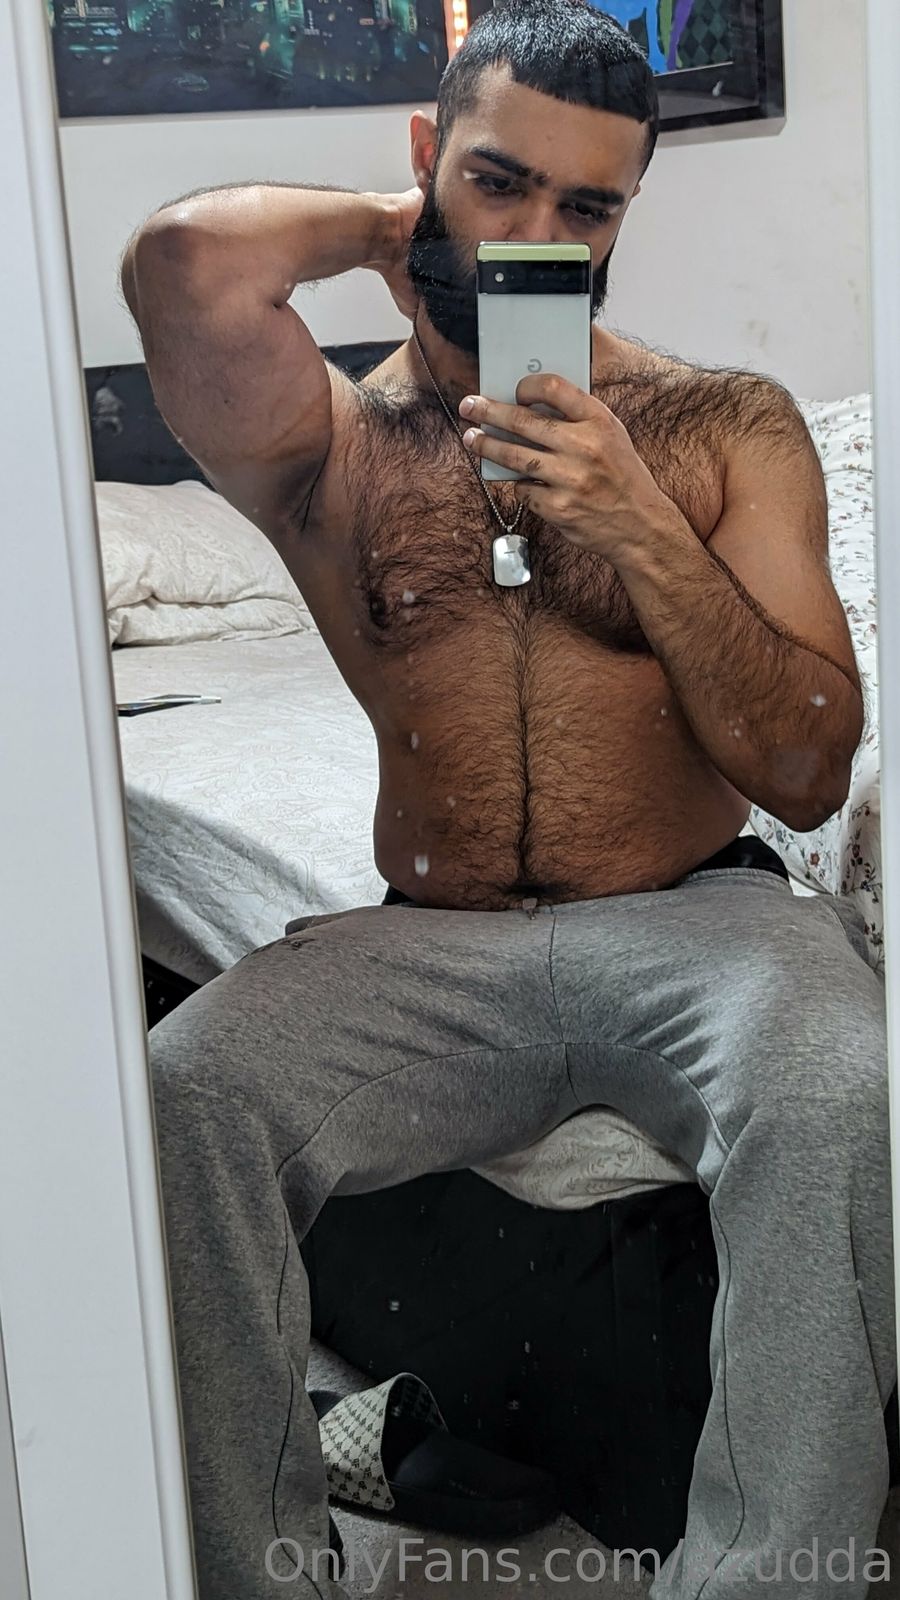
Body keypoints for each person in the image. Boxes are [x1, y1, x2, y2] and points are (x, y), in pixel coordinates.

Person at [121, 2, 894, 1595]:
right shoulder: (325, 444)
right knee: (184, 1089)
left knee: (847, 1090)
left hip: (702, 923)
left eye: (587, 208)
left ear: (630, 216)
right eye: (499, 181)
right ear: (427, 158)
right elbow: (182, 265)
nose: (542, 236)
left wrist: (642, 526)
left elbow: (811, 771)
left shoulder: (724, 425)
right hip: (431, 942)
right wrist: (397, 233)